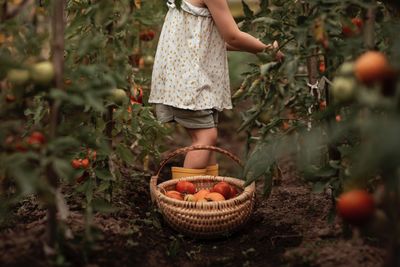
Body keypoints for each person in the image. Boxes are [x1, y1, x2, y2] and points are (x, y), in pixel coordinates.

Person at [149, 0, 283, 179]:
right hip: (189, 80)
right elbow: (232, 36)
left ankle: (206, 192)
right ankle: (185, 196)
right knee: (205, 138)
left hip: (182, 76)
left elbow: (216, 38)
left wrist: (257, 50)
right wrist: (268, 49)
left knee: (206, 142)